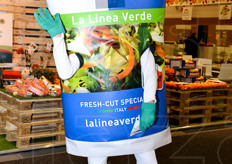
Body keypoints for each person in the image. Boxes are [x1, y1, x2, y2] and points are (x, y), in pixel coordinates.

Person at [34, 3, 171, 164]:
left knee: (146, 156)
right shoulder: (85, 51)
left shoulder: (132, 38)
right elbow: (66, 72)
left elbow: (148, 65)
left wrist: (149, 103)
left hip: (135, 109)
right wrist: (57, 38)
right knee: (98, 159)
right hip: (99, 118)